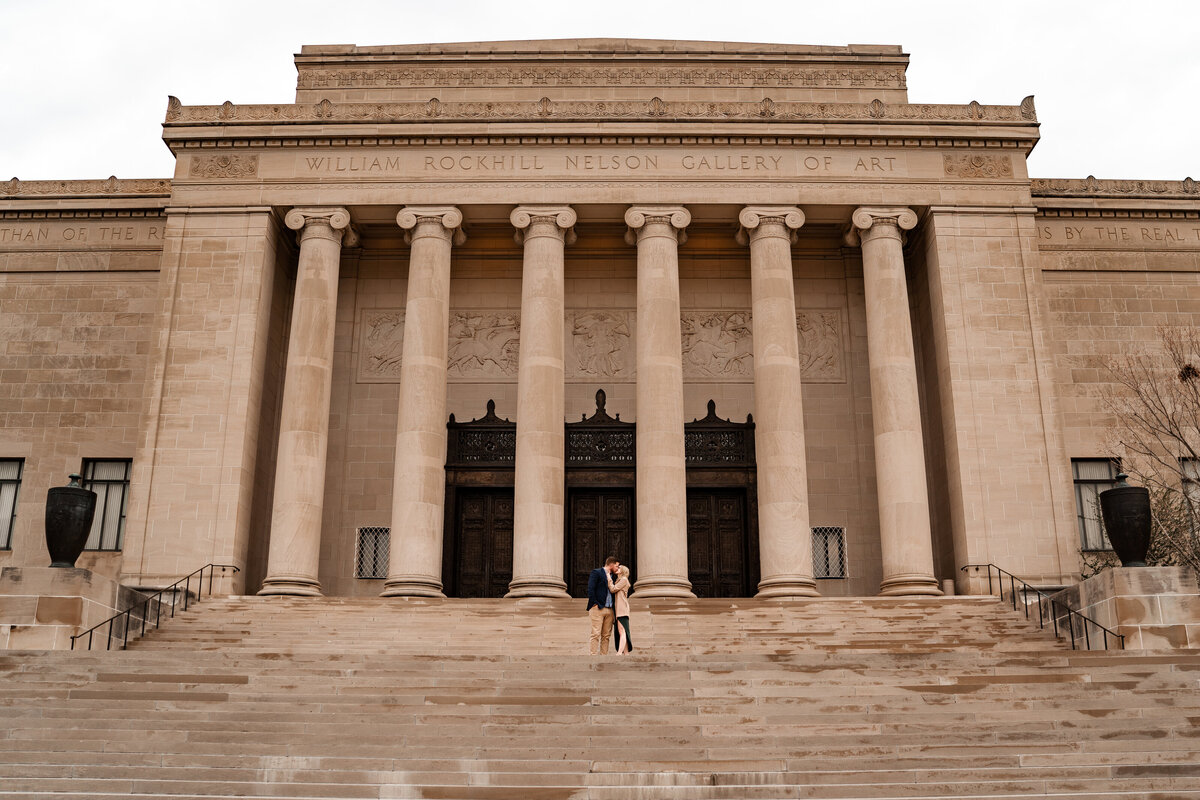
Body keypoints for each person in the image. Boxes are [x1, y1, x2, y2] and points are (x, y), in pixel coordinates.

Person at [587, 556, 620, 655]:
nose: (618, 568)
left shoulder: (615, 577)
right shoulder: (596, 572)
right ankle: (593, 656)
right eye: (617, 566)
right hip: (598, 608)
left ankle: (603, 657)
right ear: (611, 564)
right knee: (596, 634)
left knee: (606, 636)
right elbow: (590, 589)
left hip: (610, 610)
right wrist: (594, 603)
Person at [608, 564, 633, 654]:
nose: (617, 568)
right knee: (622, 631)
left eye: (619, 568)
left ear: (623, 570)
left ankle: (619, 653)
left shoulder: (624, 580)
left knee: (622, 631)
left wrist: (609, 579)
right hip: (619, 609)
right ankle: (626, 653)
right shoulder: (620, 580)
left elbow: (613, 589)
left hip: (622, 609)